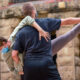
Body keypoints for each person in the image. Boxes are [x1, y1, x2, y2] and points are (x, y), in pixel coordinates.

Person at [11, 2, 80, 80]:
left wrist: (20, 68)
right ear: (34, 11)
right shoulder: (45, 22)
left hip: (29, 65)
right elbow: (67, 21)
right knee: (69, 35)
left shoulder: (20, 32)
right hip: (45, 62)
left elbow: (14, 55)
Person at [1, 15, 49, 80]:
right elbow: (12, 69)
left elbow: (27, 19)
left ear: (4, 43)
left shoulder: (14, 36)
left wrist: (40, 30)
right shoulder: (5, 54)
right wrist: (21, 72)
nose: (1, 51)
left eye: (0, 49)